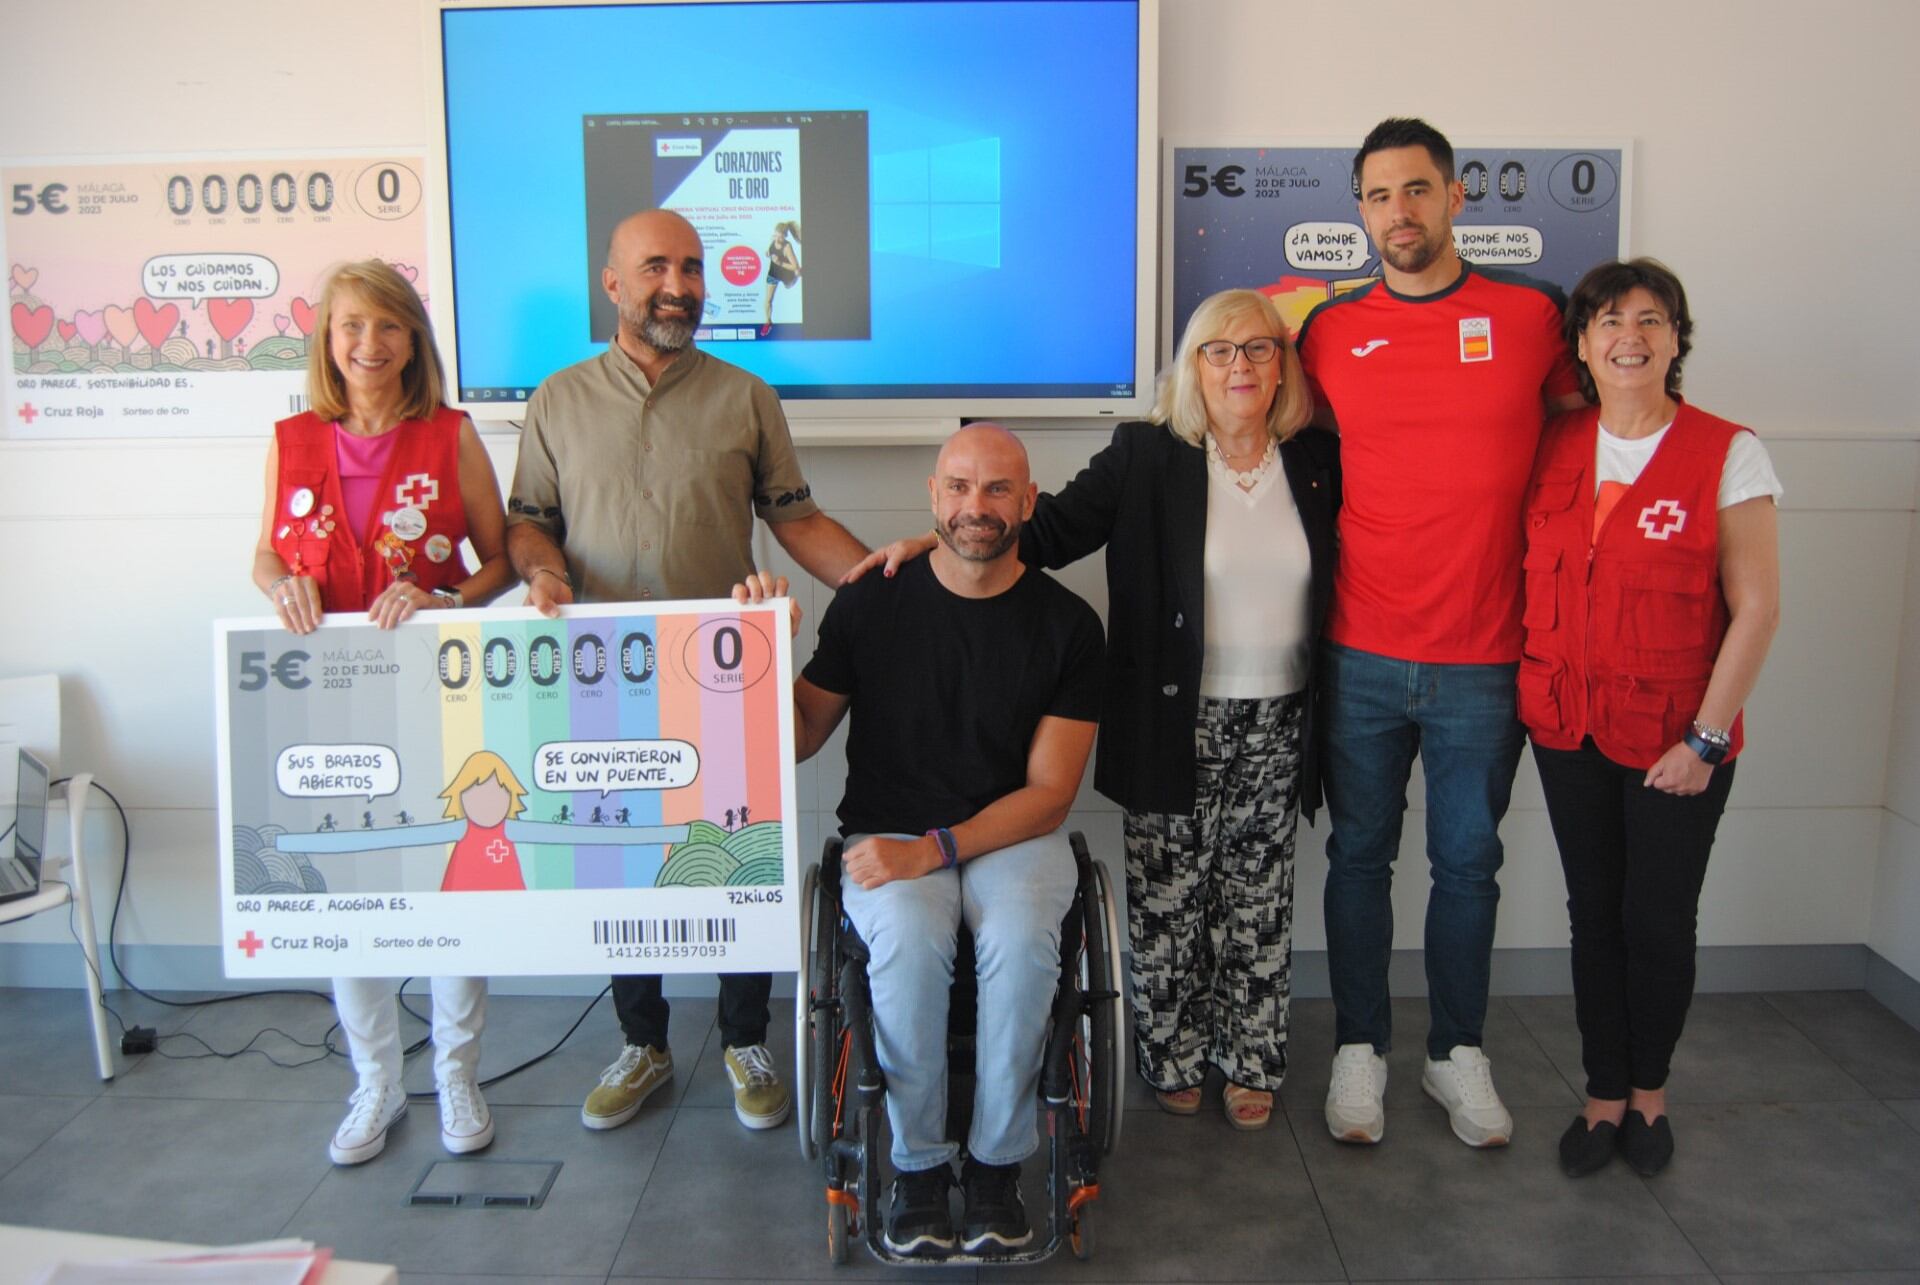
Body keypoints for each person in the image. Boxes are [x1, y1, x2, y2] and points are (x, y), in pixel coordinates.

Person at [862, 290, 1338, 1129]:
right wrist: (928, 545)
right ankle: (1175, 1054)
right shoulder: (1146, 454)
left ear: (1282, 364)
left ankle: (1252, 1056)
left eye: (1259, 350)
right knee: (1169, 901)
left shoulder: (1313, 459)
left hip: (1280, 717)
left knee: (1260, 898)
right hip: (1169, 715)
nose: (1240, 367)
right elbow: (1035, 534)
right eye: (1219, 351)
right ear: (1193, 365)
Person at [506, 207, 871, 1135]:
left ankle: (746, 1036)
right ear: (614, 284)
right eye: (658, 266)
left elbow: (796, 518)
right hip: (600, 677)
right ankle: (644, 1042)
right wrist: (542, 568)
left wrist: (889, 584)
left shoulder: (747, 396)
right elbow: (527, 518)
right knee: (625, 864)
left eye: (695, 267)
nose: (681, 285)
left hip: (721, 679)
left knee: (732, 859)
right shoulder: (555, 398)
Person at [741, 423, 1103, 1256]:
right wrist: (761, 649)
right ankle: (915, 1168)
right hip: (888, 830)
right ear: (933, 496)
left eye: (998, 489)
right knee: (906, 935)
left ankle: (994, 1168)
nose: (977, 506)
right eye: (960, 487)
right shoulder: (872, 601)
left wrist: (936, 849)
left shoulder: (1069, 625)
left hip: (1011, 832)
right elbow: (798, 734)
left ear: (1029, 502)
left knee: (1019, 939)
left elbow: (1050, 794)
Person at [1295, 117, 1584, 1148]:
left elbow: (1595, 428)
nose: (1398, 213)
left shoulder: (1533, 316)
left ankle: (1457, 1052)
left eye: (1417, 190)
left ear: (1458, 196)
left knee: (1469, 860)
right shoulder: (1326, 331)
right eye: (1378, 196)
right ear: (1359, 209)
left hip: (1487, 657)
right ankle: (1360, 1050)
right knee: (1360, 857)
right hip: (1361, 648)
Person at [250, 258, 513, 1165]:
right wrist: (283, 586)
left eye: (390, 326)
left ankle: (458, 1071)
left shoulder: (450, 435)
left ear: (414, 341)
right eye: (351, 325)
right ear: (328, 337)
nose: (369, 343)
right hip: (327, 705)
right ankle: (374, 1081)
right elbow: (262, 556)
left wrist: (447, 602)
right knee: (345, 891)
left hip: (435, 695)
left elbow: (501, 561)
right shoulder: (290, 440)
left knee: (450, 881)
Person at [1524, 260, 1781, 1178]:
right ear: (1583, 344)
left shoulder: (1726, 448)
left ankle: (1650, 1094)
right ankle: (1601, 1093)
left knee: (1659, 917)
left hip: (1681, 738)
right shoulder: (1554, 443)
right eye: (1605, 320)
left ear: (1676, 338)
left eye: (1649, 318)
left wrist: (1706, 739)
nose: (1627, 335)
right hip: (1567, 729)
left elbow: (1756, 607)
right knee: (1592, 916)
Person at [762, 221, 801, 327]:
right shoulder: (773, 239)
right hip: (773, 273)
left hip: (786, 274)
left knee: (790, 284)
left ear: (785, 236)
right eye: (776, 236)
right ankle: (768, 322)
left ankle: (798, 275)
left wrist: (780, 262)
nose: (777, 240)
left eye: (780, 237)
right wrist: (767, 253)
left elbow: (794, 266)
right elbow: (770, 250)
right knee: (768, 300)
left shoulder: (787, 247)